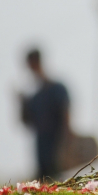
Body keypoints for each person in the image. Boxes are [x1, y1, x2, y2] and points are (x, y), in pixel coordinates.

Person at [18, 48, 70, 181]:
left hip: (58, 148)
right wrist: (21, 104)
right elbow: (26, 122)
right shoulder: (35, 97)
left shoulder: (57, 89)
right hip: (41, 151)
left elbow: (66, 117)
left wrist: (66, 145)